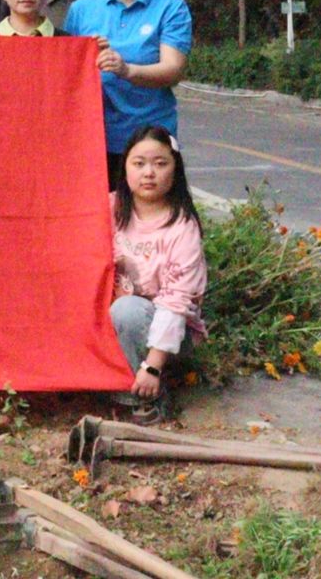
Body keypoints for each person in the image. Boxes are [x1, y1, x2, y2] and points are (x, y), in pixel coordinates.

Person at [64, 0, 192, 188]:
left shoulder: (171, 7)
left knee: (152, 213)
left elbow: (173, 70)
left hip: (152, 140)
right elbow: (69, 76)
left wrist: (126, 70)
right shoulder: (81, 10)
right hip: (95, 139)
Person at [109, 125, 206, 424]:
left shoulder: (182, 228)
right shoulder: (109, 209)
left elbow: (175, 304)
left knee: (128, 309)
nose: (148, 173)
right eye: (139, 163)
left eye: (160, 163)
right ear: (125, 167)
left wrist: (152, 366)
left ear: (175, 170)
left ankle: (146, 396)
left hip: (169, 335)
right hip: (113, 325)